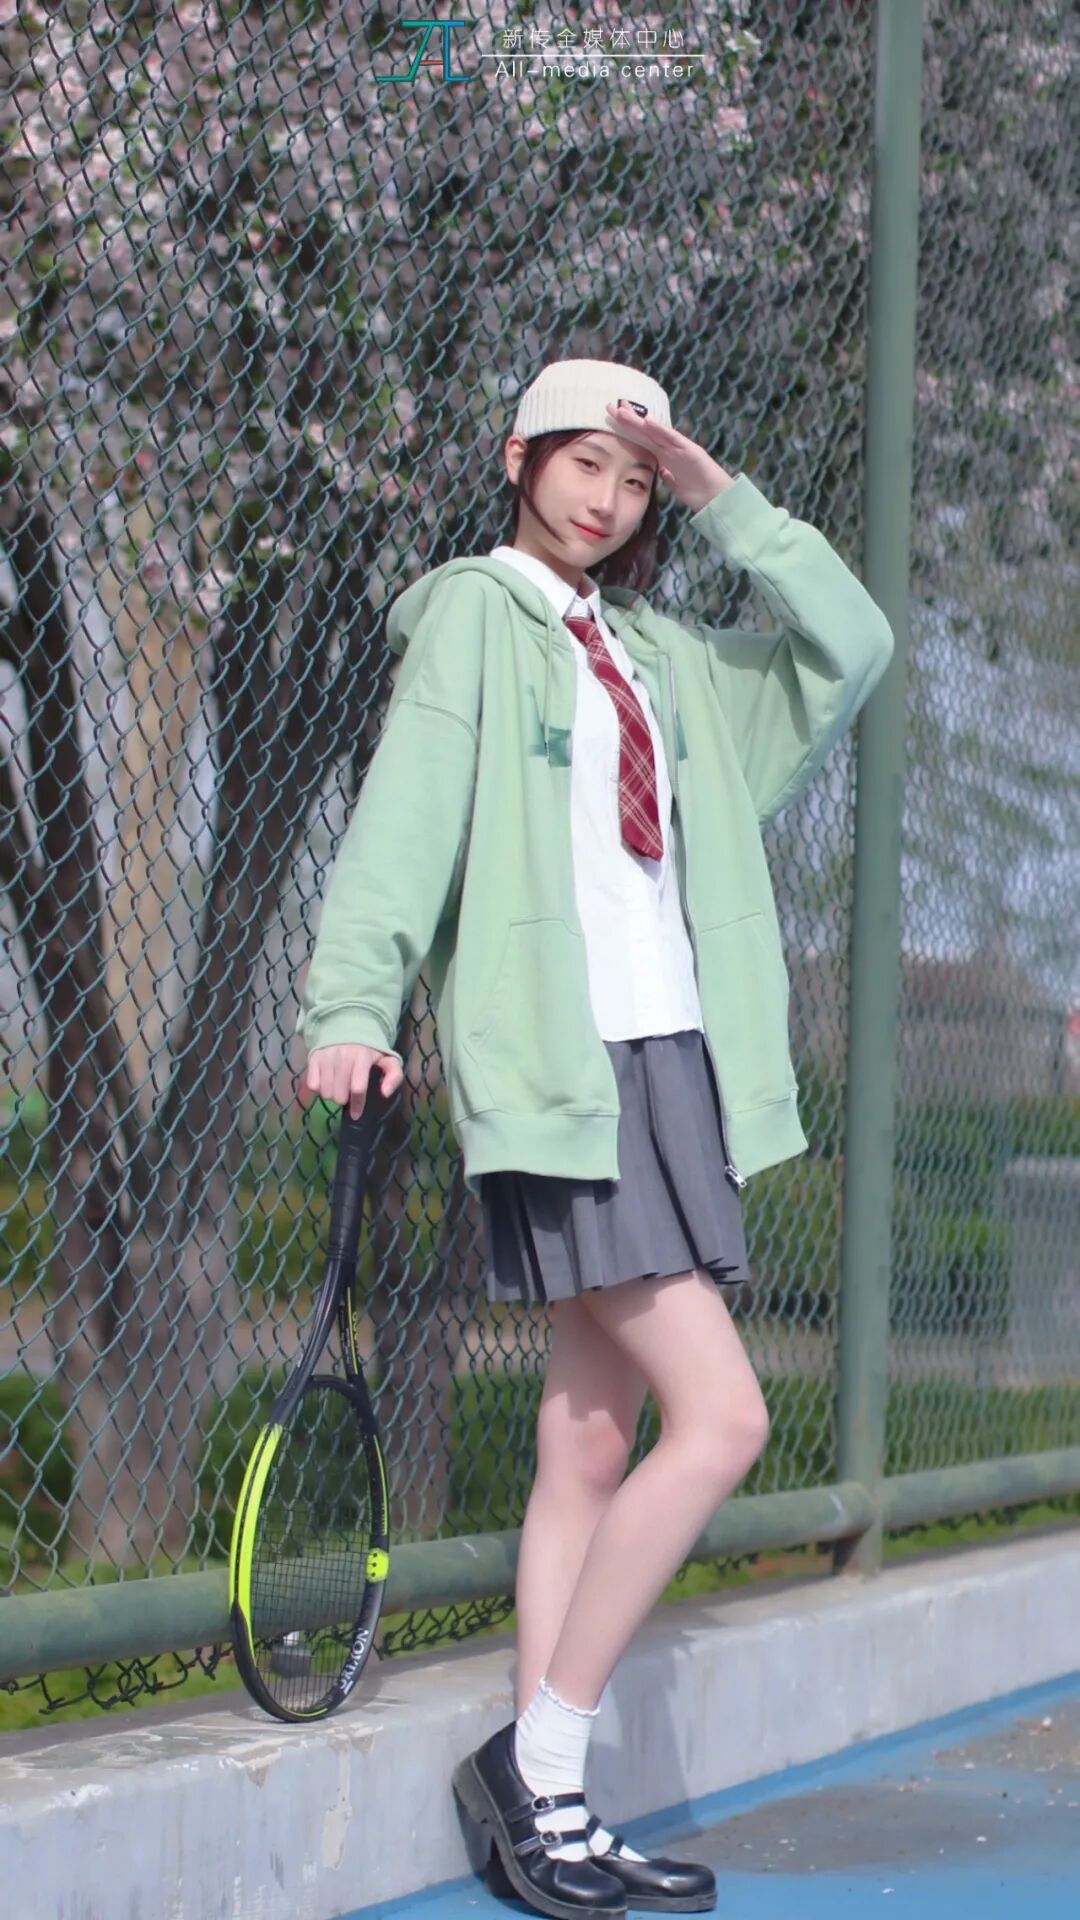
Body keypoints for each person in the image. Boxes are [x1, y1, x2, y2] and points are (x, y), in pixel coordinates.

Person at [298, 357, 895, 1918]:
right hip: (567, 1069)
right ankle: (537, 1761)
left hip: (671, 1063)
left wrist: (721, 497)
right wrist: (351, 1003)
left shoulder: (661, 654)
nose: (607, 500)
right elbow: (401, 823)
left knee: (586, 1446)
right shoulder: (473, 620)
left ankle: (551, 1812)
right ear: (518, 458)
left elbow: (854, 645)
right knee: (727, 1419)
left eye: (634, 482)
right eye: (584, 464)